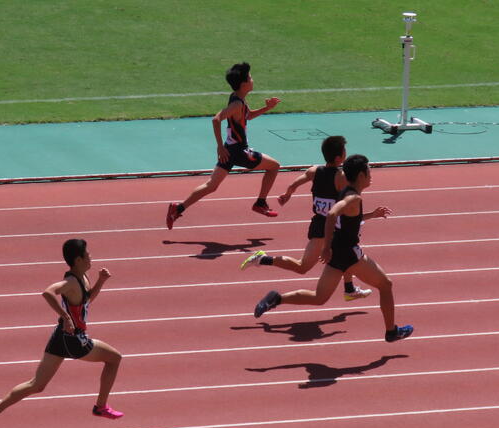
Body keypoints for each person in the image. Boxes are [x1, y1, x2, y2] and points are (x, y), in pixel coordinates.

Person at [253, 154, 413, 343]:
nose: (371, 175)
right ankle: (391, 331)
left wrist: (371, 215)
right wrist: (326, 247)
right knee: (386, 285)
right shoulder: (353, 197)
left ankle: (277, 298)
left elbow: (346, 219)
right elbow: (331, 214)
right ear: (361, 175)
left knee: (319, 297)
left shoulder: (346, 192)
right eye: (369, 171)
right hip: (350, 255)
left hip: (337, 255)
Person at [0, 239, 124, 428]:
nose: (91, 257)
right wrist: (66, 317)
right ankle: (100, 406)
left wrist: (101, 281)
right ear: (78, 259)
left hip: (60, 337)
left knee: (36, 385)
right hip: (74, 340)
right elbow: (48, 293)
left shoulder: (83, 277)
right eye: (87, 254)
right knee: (114, 358)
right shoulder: (71, 282)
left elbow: (86, 300)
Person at [239, 135, 372, 301]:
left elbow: (295, 183)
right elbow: (353, 192)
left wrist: (288, 193)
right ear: (339, 157)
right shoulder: (342, 177)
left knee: (336, 256)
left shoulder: (314, 170)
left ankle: (349, 288)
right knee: (316, 262)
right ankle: (263, 259)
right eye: (344, 150)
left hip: (319, 223)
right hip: (330, 226)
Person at [166, 62, 281, 229]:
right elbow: (216, 119)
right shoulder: (237, 104)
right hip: (238, 151)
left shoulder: (237, 98)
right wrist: (219, 147)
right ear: (243, 84)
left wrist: (267, 108)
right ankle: (260, 203)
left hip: (230, 149)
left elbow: (247, 116)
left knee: (211, 186)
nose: (252, 80)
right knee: (274, 166)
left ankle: (178, 208)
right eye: (250, 77)